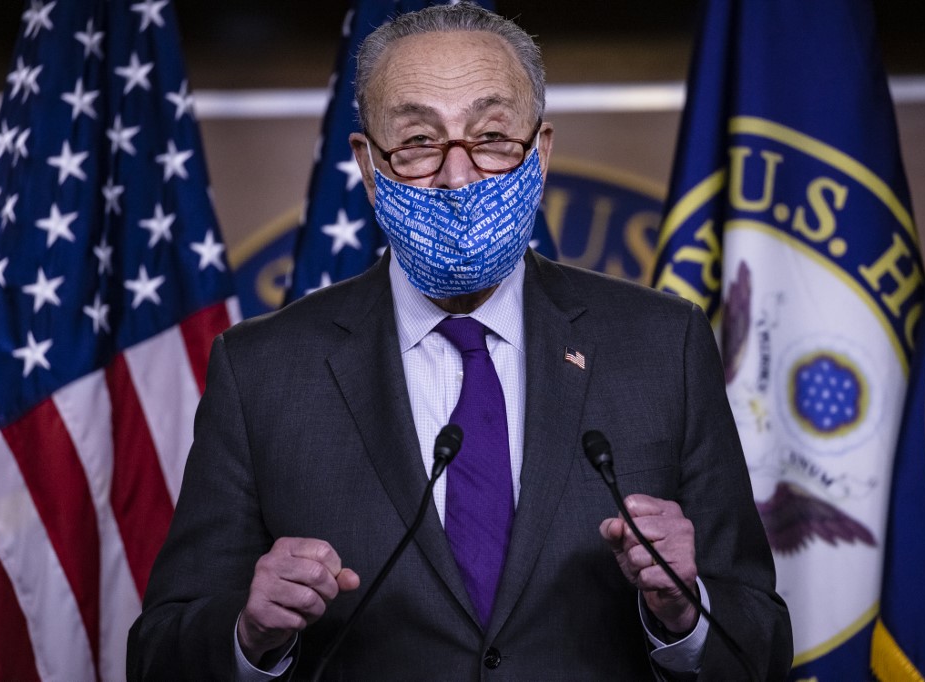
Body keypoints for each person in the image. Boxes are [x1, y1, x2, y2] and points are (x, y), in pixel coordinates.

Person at [127, 4, 792, 680]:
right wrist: (249, 634)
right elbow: (159, 656)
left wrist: (684, 613)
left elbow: (761, 644)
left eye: (492, 136)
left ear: (540, 151)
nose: (458, 175)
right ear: (367, 164)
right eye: (418, 141)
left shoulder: (663, 345)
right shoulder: (261, 370)